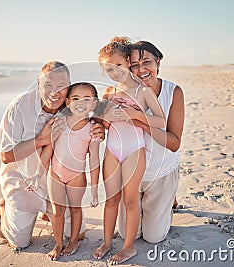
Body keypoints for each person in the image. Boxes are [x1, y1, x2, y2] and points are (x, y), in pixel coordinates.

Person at [0, 61, 105, 250]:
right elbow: (5, 156)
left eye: (61, 86)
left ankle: (47, 210)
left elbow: (98, 106)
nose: (54, 92)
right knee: (19, 242)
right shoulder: (19, 107)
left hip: (56, 182)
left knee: (78, 233)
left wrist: (100, 126)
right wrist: (40, 139)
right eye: (48, 85)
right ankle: (4, 205)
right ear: (38, 84)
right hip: (25, 182)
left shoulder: (71, 107)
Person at [93, 37, 165, 265]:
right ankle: (106, 242)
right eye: (109, 70)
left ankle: (128, 247)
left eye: (118, 66)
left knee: (130, 200)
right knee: (111, 199)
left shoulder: (143, 91)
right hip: (112, 150)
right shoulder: (107, 92)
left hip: (135, 150)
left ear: (127, 61)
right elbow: (102, 124)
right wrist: (103, 117)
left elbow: (160, 120)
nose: (115, 73)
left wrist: (134, 115)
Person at [116, 40, 185, 244]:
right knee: (126, 233)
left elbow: (174, 143)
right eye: (135, 65)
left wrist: (139, 119)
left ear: (158, 63)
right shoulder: (120, 94)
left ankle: (168, 199)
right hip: (131, 174)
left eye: (147, 62)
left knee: (153, 237)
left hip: (161, 170)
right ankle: (160, 204)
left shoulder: (173, 92)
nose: (141, 69)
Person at [44, 82, 103, 260]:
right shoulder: (59, 122)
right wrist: (35, 176)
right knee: (57, 211)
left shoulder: (92, 129)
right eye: (76, 98)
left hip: (76, 176)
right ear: (68, 102)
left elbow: (94, 160)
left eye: (86, 99)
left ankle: (74, 241)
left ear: (94, 103)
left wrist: (94, 191)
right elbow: (48, 149)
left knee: (76, 209)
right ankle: (58, 243)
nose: (80, 103)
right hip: (55, 172)